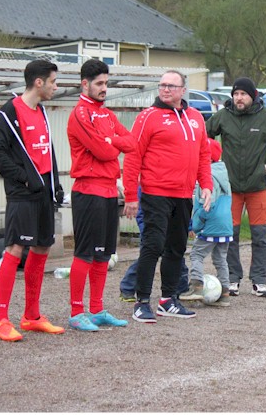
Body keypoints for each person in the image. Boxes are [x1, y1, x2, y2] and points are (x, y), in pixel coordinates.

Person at [122, 70, 212, 323]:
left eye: (172, 86)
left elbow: (203, 154)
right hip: (155, 193)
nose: (166, 89)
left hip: (183, 195)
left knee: (176, 248)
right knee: (153, 246)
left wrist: (206, 184)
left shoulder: (196, 117)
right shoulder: (148, 117)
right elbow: (132, 156)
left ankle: (168, 300)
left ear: (183, 90)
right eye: (162, 85)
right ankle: (141, 302)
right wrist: (131, 194)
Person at [0, 59, 65, 342]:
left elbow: (47, 151)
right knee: (16, 248)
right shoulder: (10, 111)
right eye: (53, 81)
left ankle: (31, 316)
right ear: (38, 82)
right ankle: (1, 320)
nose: (56, 87)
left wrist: (55, 183)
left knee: (43, 246)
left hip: (43, 191)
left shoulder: (41, 110)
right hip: (22, 193)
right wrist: (24, 178)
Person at [65, 60, 135, 331]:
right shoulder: (80, 114)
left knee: (104, 254)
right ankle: (76, 312)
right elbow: (104, 152)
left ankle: (96, 309)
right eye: (99, 83)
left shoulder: (106, 114)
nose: (104, 88)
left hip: (108, 190)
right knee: (84, 253)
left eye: (106, 83)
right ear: (85, 84)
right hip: (88, 190)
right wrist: (112, 145)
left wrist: (111, 141)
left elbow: (131, 143)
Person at [205, 77, 266, 298]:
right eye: (235, 94)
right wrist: (213, 163)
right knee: (230, 236)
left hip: (257, 186)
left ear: (253, 96)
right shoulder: (223, 116)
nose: (238, 98)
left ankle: (259, 280)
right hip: (230, 188)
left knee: (260, 236)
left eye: (243, 94)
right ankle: (232, 278)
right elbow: (204, 137)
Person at [181, 138, 233, 307]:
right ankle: (225, 293)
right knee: (220, 259)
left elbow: (206, 206)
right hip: (226, 226)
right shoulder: (223, 175)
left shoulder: (207, 177)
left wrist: (196, 226)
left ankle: (196, 286)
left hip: (211, 225)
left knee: (196, 254)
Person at [118, 187, 189, 302]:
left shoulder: (174, 186)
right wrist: (146, 230)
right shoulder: (147, 186)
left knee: (176, 257)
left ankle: (182, 290)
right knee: (148, 258)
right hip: (152, 228)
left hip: (170, 228)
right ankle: (127, 288)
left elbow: (180, 207)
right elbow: (142, 213)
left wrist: (188, 226)